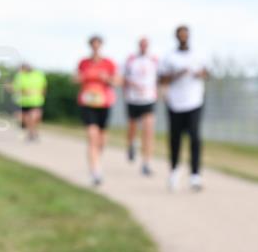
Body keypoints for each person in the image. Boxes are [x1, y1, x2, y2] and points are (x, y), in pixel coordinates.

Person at [158, 25, 207, 192]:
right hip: (175, 103)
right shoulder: (169, 57)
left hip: (194, 101)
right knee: (175, 139)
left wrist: (199, 74)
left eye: (186, 35)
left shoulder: (198, 54)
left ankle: (195, 175)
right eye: (181, 35)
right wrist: (178, 74)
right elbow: (162, 78)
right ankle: (174, 171)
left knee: (195, 137)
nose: (183, 37)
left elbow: (207, 73)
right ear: (176, 37)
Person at [76, 35, 119, 186]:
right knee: (92, 135)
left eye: (97, 44)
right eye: (93, 44)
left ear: (101, 46)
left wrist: (107, 78)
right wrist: (82, 77)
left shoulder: (109, 63)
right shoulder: (83, 63)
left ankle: (97, 161)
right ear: (90, 46)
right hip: (87, 103)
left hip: (104, 103)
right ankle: (95, 171)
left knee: (101, 139)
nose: (95, 47)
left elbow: (118, 81)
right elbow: (75, 79)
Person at [123, 37, 158, 176]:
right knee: (132, 127)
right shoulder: (130, 59)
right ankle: (131, 144)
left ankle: (146, 163)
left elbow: (159, 78)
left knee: (148, 131)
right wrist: (132, 85)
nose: (143, 47)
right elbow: (123, 77)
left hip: (148, 99)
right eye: (141, 45)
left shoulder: (154, 60)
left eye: (146, 45)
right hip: (133, 99)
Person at [12, 63, 47, 141]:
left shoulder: (39, 75)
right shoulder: (19, 76)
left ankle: (33, 132)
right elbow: (16, 88)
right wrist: (24, 91)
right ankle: (31, 133)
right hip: (24, 102)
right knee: (28, 119)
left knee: (34, 118)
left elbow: (44, 87)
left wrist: (42, 94)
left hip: (37, 101)